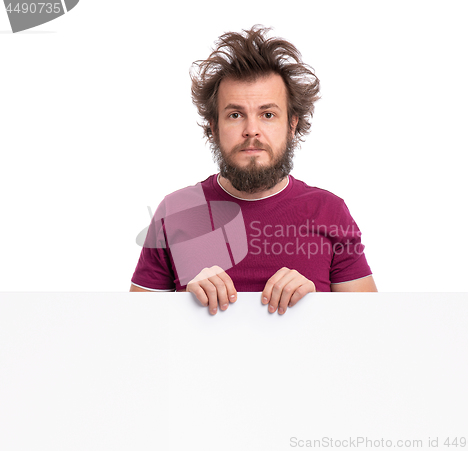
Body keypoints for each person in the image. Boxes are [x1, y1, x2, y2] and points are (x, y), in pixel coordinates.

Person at [130, 25, 377, 314]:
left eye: (268, 114)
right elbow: (134, 332)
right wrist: (181, 303)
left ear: (292, 124)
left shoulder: (330, 211)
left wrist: (318, 305)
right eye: (235, 115)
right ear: (214, 126)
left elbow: (373, 332)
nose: (251, 130)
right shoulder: (174, 211)